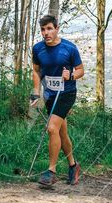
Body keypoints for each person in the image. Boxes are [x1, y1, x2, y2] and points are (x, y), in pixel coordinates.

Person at [29, 15, 84, 189]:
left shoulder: (69, 48)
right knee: (60, 133)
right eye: (43, 30)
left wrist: (72, 75)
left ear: (57, 28)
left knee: (52, 128)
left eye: (49, 28)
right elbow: (36, 72)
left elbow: (81, 70)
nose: (46, 33)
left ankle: (50, 172)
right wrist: (36, 93)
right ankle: (73, 166)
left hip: (66, 94)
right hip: (50, 95)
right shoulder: (38, 49)